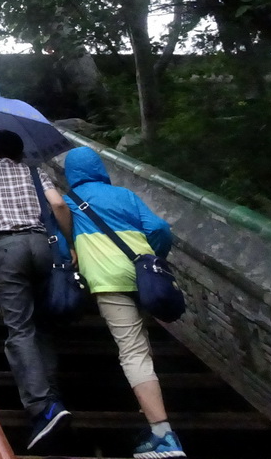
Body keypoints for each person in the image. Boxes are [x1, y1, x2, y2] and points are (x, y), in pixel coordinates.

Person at [63, 147, 186, 459]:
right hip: (142, 275)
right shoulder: (125, 195)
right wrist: (152, 257)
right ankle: (156, 420)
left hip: (108, 281)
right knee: (141, 344)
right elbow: (159, 228)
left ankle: (163, 434)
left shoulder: (69, 203)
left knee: (133, 352)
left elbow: (62, 242)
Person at [0, 129, 75, 450]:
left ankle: (42, 406)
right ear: (20, 152)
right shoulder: (35, 173)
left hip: (7, 248)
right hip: (42, 246)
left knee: (19, 328)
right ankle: (54, 396)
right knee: (43, 325)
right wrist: (72, 243)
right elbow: (59, 205)